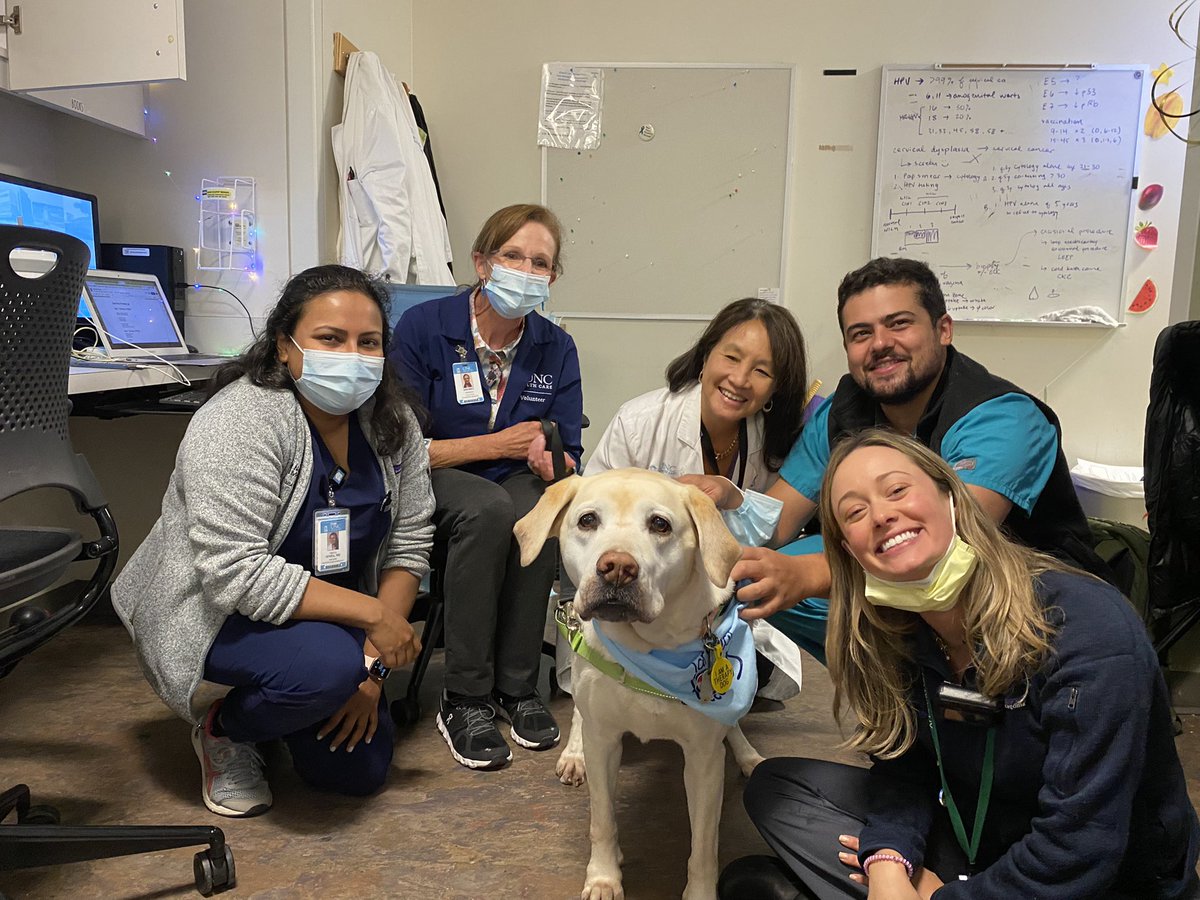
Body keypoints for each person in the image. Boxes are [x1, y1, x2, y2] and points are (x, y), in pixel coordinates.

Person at [720, 429, 1199, 900]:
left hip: (1102, 878)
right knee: (777, 789)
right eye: (855, 513)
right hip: (981, 838)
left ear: (951, 497)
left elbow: (1081, 848)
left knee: (758, 883)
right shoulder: (898, 630)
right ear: (849, 550)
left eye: (897, 490)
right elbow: (906, 766)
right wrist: (889, 860)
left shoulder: (1088, 628)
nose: (883, 515)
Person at [111, 265, 434, 817]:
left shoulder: (391, 421)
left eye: (369, 342)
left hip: (331, 615)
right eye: (330, 338)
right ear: (285, 345)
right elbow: (236, 573)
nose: (352, 356)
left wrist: (375, 669)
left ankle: (292, 702)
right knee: (326, 669)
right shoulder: (243, 419)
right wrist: (371, 621)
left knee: (355, 773)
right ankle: (227, 728)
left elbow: (410, 538)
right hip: (216, 608)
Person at [695, 257, 1110, 664]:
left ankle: (953, 692)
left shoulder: (1003, 417)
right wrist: (716, 506)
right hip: (901, 575)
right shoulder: (842, 410)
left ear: (943, 329)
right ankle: (901, 695)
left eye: (899, 324)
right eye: (861, 333)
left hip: (1023, 600)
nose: (879, 344)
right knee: (758, 576)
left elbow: (949, 544)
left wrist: (807, 576)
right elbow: (777, 523)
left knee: (817, 574)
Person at [389, 203, 583, 770]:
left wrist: (557, 462)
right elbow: (398, 445)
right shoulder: (425, 327)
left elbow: (566, 441)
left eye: (540, 262)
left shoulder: (555, 346)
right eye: (513, 255)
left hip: (515, 479)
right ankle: (467, 695)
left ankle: (518, 687)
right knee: (491, 512)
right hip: (433, 476)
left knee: (537, 514)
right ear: (482, 262)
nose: (526, 270)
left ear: (551, 277)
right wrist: (494, 446)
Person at [582, 296, 812, 699]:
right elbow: (589, 520)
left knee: (747, 675)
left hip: (715, 603)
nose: (740, 379)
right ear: (706, 356)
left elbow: (772, 530)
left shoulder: (771, 441)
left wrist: (733, 496)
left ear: (775, 388)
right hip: (631, 591)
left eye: (761, 371)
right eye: (731, 357)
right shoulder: (640, 423)